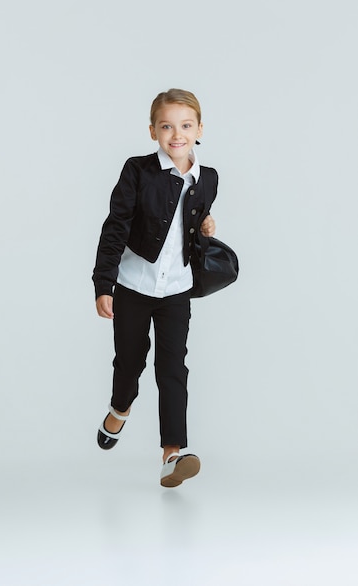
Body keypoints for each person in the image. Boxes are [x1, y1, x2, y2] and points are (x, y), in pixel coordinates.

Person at [92, 88, 218, 487]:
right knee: (130, 361)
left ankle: (172, 455)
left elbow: (192, 223)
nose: (176, 134)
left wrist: (206, 226)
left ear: (199, 129)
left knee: (172, 368)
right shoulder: (138, 170)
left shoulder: (209, 178)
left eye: (185, 125)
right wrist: (104, 283)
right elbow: (116, 227)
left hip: (176, 290)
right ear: (153, 131)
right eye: (166, 126)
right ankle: (120, 407)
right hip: (132, 285)